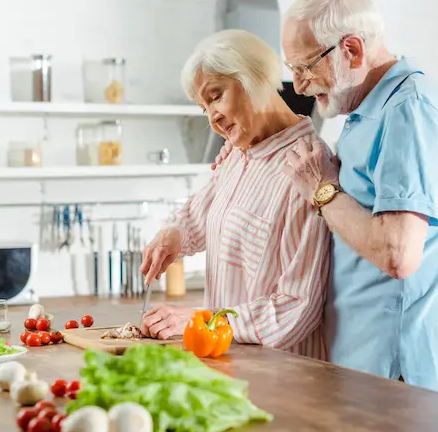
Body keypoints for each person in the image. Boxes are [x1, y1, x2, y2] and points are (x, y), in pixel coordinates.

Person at [213, 0, 438, 402]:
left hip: (404, 373)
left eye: (304, 68)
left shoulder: (409, 111)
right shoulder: (365, 113)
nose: (299, 87)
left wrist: (320, 190)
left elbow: (397, 252)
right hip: (368, 369)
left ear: (352, 49)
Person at [138, 29, 331, 360]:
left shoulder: (307, 168)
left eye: (215, 96)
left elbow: (297, 308)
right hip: (228, 362)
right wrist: (174, 234)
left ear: (254, 78)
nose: (212, 117)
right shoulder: (237, 155)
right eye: (204, 108)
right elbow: (200, 215)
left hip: (283, 376)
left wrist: (206, 320)